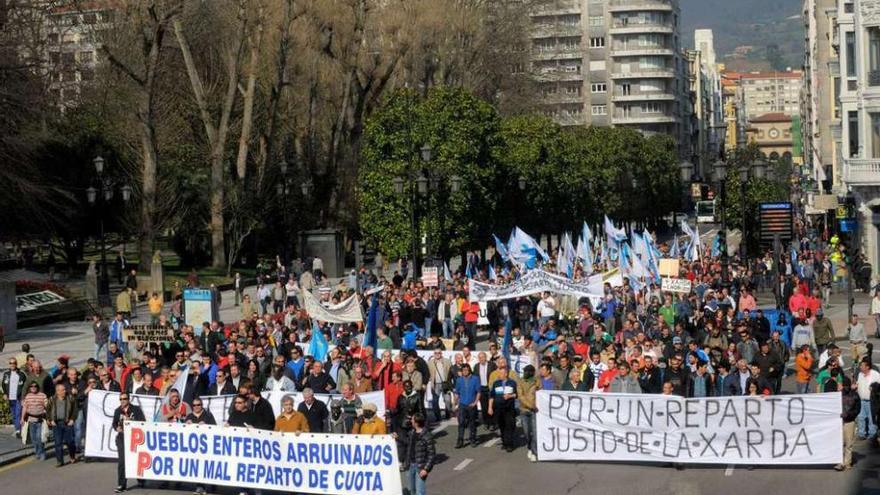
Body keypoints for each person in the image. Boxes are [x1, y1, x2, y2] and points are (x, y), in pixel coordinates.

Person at [113, 393, 145, 493]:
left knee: (136, 460)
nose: (122, 401)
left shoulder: (136, 409)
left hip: (134, 438)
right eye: (121, 399)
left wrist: (131, 421)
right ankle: (121, 485)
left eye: (124, 399)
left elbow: (143, 422)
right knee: (122, 462)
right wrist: (116, 428)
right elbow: (114, 423)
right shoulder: (118, 411)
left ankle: (141, 480)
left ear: (128, 399)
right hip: (122, 438)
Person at [402, 413, 435, 495]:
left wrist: (426, 469)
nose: (411, 421)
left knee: (420, 492)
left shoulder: (427, 436)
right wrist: (396, 437)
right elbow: (406, 442)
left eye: (412, 420)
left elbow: (431, 454)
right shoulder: (411, 433)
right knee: (411, 490)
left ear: (416, 423)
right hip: (410, 465)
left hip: (420, 466)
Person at [46, 383, 77, 466]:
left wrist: (72, 419)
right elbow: (47, 410)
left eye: (64, 389)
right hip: (56, 424)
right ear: (57, 391)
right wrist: (50, 419)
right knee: (58, 443)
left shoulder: (70, 398)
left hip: (67, 423)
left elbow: (75, 409)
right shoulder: (52, 399)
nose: (64, 391)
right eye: (62, 390)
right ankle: (59, 461)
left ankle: (72, 456)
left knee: (70, 442)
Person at [488, 366, 518, 452]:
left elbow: (517, 394)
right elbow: (492, 396)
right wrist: (490, 407)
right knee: (502, 426)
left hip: (509, 408)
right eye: (499, 373)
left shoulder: (512, 383)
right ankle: (504, 443)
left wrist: (510, 396)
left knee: (509, 425)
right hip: (498, 408)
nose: (499, 375)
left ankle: (509, 444)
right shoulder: (496, 383)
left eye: (501, 373)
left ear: (506, 374)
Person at [453, 363, 481, 449]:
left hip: (471, 404)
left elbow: (478, 392)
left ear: (469, 370)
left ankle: (473, 439)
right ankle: (460, 440)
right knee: (461, 423)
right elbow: (457, 393)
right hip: (462, 405)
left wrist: (475, 402)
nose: (465, 372)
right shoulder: (459, 380)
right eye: (463, 370)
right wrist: (454, 404)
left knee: (472, 423)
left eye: (466, 370)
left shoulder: (475, 379)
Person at [836, 376, 861, 471]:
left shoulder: (854, 395)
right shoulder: (839, 394)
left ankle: (847, 463)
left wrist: (848, 415)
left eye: (846, 385)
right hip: (841, 422)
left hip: (849, 421)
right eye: (844, 385)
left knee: (848, 443)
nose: (845, 387)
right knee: (842, 443)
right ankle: (841, 462)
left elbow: (857, 410)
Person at [517, 364, 539, 462]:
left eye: (526, 371)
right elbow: (520, 396)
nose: (524, 373)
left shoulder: (537, 381)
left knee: (534, 432)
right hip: (524, 410)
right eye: (524, 371)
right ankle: (529, 446)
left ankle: (534, 452)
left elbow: (541, 393)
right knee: (526, 432)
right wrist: (531, 406)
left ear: (531, 373)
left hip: (535, 411)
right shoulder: (520, 381)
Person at [21, 382, 47, 460]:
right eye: (31, 386)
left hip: (40, 420)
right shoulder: (28, 396)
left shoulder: (42, 395)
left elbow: (47, 406)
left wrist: (47, 414)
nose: (33, 387)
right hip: (30, 420)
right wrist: (22, 418)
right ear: (29, 388)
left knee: (39, 438)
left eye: (35, 386)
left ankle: (42, 453)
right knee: (33, 439)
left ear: (37, 387)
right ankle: (37, 452)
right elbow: (25, 408)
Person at [856, 359, 880, 440]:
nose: (860, 367)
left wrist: (874, 389)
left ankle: (872, 434)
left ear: (867, 367)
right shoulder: (860, 374)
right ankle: (861, 434)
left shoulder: (875, 374)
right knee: (861, 417)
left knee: (871, 418)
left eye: (862, 365)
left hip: (872, 401)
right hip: (861, 400)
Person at [3, 357, 26, 438]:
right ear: (9, 364)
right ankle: (18, 429)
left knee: (18, 413)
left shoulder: (21, 374)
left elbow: (25, 386)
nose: (12, 364)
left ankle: (18, 430)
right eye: (11, 363)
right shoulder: (6, 374)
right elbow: (3, 384)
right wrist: (5, 393)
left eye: (14, 363)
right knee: (13, 414)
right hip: (10, 398)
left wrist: (23, 397)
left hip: (18, 398)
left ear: (16, 364)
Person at [427, 349, 453, 423]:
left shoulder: (447, 361)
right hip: (435, 384)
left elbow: (451, 372)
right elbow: (428, 373)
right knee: (435, 402)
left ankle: (448, 414)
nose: (437, 354)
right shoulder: (430, 362)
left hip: (445, 384)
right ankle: (438, 417)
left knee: (447, 400)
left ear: (441, 353)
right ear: (433, 354)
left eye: (439, 353)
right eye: (436, 353)